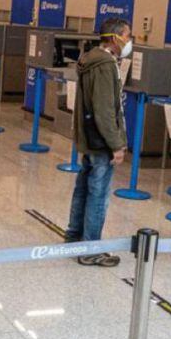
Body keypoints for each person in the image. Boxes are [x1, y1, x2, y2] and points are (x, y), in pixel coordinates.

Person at [65, 17, 132, 267]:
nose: (129, 41)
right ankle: (91, 248)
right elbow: (104, 110)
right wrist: (116, 144)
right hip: (101, 140)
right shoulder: (105, 65)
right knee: (99, 193)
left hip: (88, 136)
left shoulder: (90, 59)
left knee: (83, 187)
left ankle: (74, 237)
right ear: (114, 38)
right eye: (126, 36)